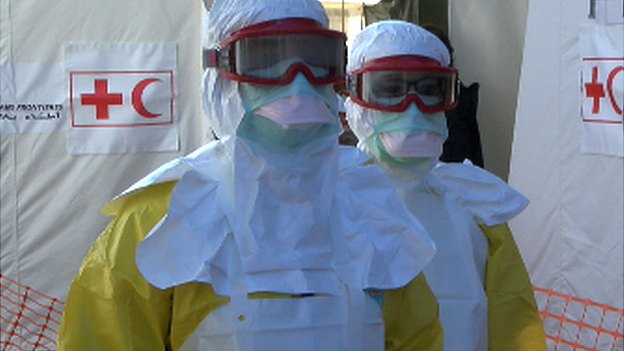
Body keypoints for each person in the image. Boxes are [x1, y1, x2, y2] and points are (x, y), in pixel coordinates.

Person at [57, 2, 444, 350]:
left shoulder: (370, 206)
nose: (297, 83)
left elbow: (416, 335)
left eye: (316, 61)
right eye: (265, 60)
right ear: (219, 78)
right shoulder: (161, 218)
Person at [345, 20, 546, 351]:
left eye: (430, 89)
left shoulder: (472, 203)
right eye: (391, 89)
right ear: (355, 99)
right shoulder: (332, 199)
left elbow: (513, 320)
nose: (413, 106)